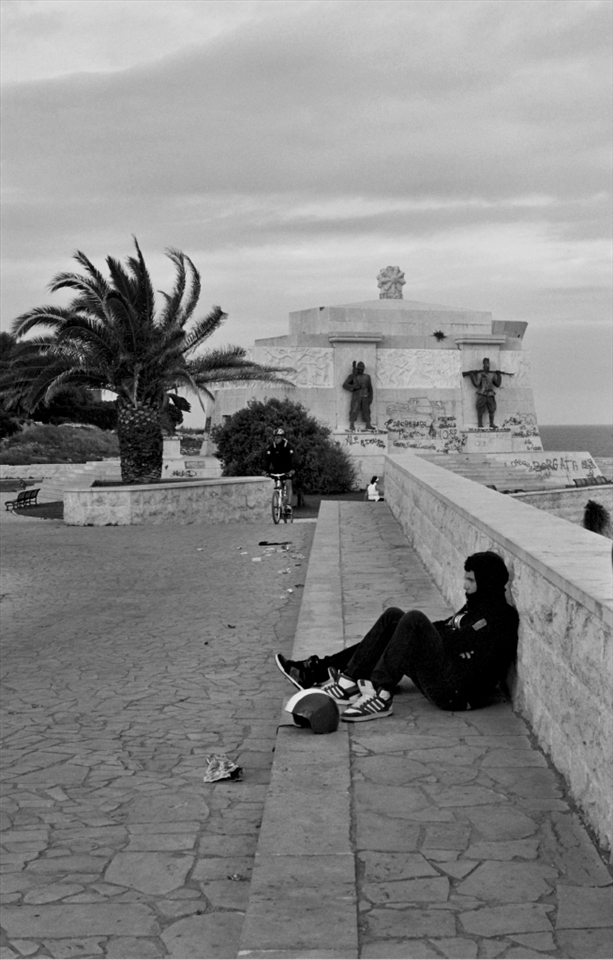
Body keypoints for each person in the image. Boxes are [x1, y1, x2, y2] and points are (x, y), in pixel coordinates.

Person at [276, 551, 518, 723]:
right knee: (396, 618)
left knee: (413, 620)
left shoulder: (498, 617)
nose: (464, 586)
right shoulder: (474, 607)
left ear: (486, 583)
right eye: (465, 578)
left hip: (454, 692)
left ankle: (380, 694)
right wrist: (431, 635)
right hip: (444, 670)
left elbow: (454, 642)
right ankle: (339, 678)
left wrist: (434, 636)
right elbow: (446, 630)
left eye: (471, 580)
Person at [462, 358, 514, 430]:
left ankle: (491, 423)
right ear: (483, 364)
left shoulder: (492, 374)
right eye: (486, 363)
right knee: (480, 408)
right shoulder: (480, 374)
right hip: (482, 393)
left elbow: (497, 384)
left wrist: (499, 376)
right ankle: (480, 423)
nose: (488, 365)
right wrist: (472, 376)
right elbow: (477, 384)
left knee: (492, 408)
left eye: (488, 363)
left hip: (490, 393)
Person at [265, 427, 295, 512]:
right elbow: (267, 459)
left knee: (288, 483)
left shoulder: (288, 446)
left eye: (278, 437)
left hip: (287, 469)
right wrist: (265, 470)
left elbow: (293, 458)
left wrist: (292, 469)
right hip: (277, 470)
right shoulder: (272, 447)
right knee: (278, 486)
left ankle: (288, 505)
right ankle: (279, 502)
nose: (276, 439)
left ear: (282, 437)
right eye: (275, 437)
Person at [343, 361, 373, 431]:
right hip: (356, 396)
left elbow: (370, 388)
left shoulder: (367, 377)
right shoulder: (353, 376)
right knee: (354, 410)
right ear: (357, 369)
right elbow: (345, 385)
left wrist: (371, 397)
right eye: (359, 369)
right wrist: (353, 387)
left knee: (367, 411)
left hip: (365, 396)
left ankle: (368, 424)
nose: (361, 370)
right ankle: (352, 425)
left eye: (362, 369)